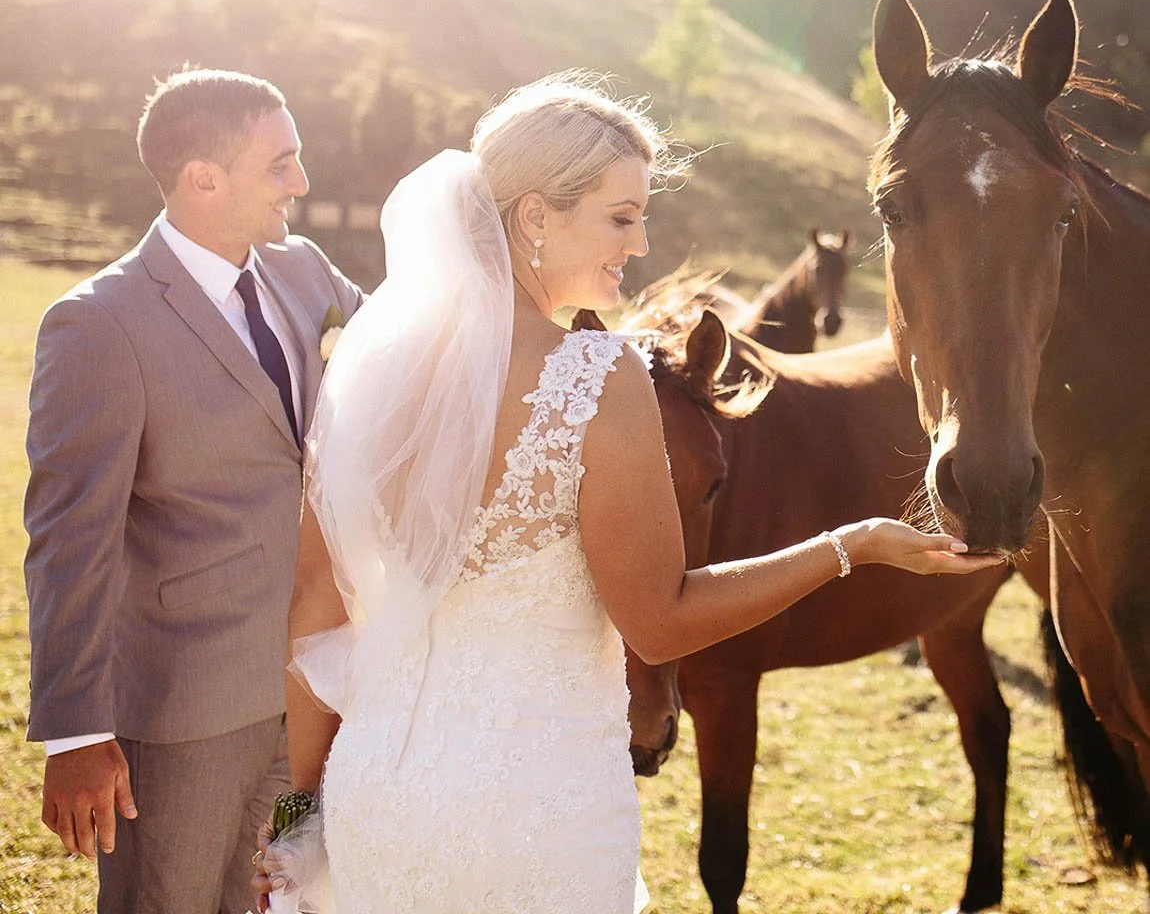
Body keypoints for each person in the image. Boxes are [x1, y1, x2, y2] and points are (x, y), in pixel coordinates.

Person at [256, 73, 1004, 913]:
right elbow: (661, 620)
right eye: (620, 217)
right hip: (536, 820)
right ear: (536, 216)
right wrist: (851, 545)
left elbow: (315, 607)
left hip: (380, 800)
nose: (641, 244)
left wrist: (297, 819)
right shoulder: (599, 376)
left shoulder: (373, 373)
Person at [23, 68, 363, 914]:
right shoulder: (99, 323)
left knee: (282, 893)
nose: (302, 183)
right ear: (202, 178)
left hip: (313, 695)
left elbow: (416, 353)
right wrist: (76, 733)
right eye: (280, 162)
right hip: (184, 716)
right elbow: (70, 539)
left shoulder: (310, 276)